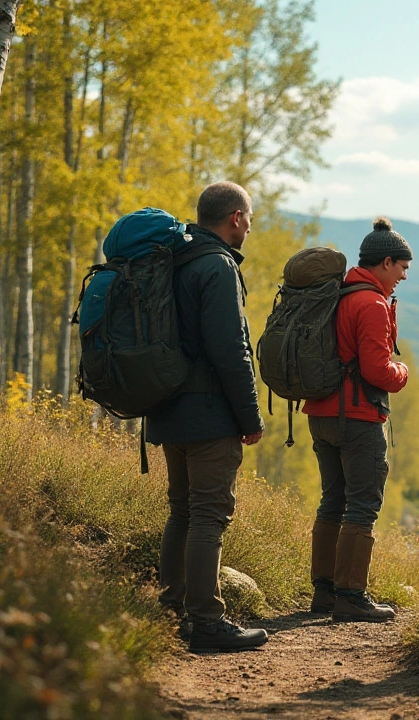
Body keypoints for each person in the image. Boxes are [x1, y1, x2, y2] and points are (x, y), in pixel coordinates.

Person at [146, 181, 269, 652]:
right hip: (207, 414)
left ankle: (170, 612)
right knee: (209, 517)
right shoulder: (216, 266)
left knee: (182, 512)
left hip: (166, 407)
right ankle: (207, 622)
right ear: (235, 217)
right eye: (250, 219)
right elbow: (230, 349)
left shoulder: (171, 258)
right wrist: (250, 416)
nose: (250, 228)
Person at [302, 217, 412, 622]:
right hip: (358, 417)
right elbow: (377, 371)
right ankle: (351, 596)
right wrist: (402, 373)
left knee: (332, 500)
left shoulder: (340, 293)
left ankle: (324, 593)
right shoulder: (370, 302)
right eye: (402, 268)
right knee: (363, 504)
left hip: (321, 414)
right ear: (386, 261)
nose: (403, 276)